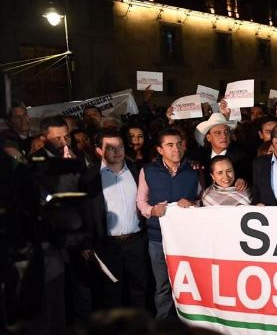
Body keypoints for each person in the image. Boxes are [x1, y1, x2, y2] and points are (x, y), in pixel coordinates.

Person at [136, 129, 200, 319]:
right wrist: (151, 211)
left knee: (189, 283)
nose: (176, 148)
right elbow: (141, 201)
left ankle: (191, 323)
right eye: (170, 145)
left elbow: (201, 198)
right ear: (160, 149)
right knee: (163, 285)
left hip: (186, 239)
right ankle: (163, 326)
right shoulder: (148, 170)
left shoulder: (195, 169)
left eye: (179, 143)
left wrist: (193, 203)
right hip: (157, 238)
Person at [79, 131, 146, 310]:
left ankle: (140, 330)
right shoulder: (90, 177)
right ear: (99, 151)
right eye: (110, 148)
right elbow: (85, 212)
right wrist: (86, 243)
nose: (117, 151)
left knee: (139, 289)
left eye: (120, 146)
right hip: (107, 244)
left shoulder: (136, 169)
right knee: (111, 292)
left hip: (136, 241)